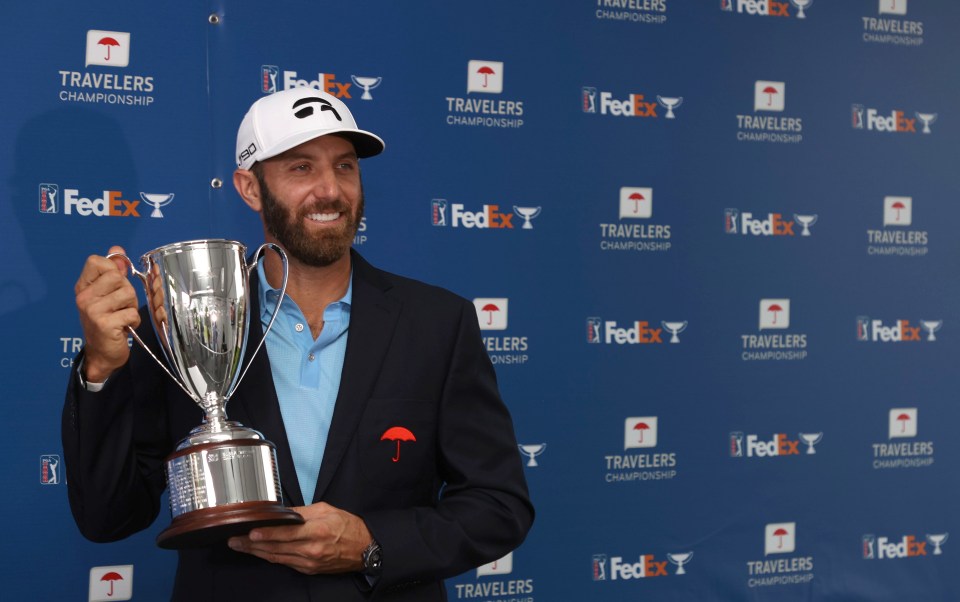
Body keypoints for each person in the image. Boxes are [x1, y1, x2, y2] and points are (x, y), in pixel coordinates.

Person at [63, 88, 534, 601]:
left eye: (346, 166)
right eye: (301, 168)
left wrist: (373, 544)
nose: (330, 190)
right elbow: (109, 517)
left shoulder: (438, 322)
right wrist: (103, 368)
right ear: (250, 188)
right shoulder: (180, 322)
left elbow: (498, 505)